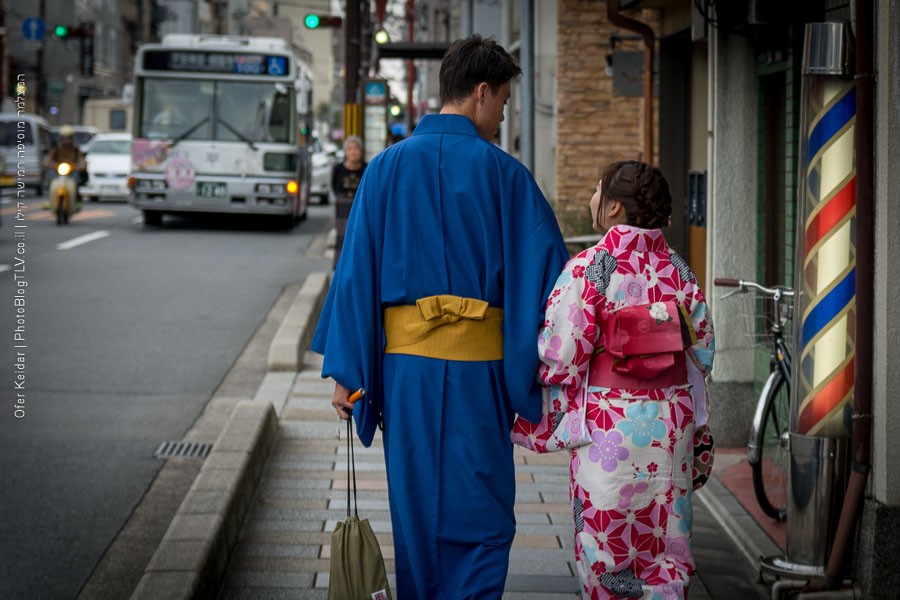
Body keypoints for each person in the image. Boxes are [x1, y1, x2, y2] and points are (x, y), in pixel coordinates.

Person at [311, 34, 569, 598]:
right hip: (480, 373)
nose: (502, 115)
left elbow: (356, 272)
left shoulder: (384, 169)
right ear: (480, 93)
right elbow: (554, 282)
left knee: (418, 509)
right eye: (502, 100)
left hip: (408, 376)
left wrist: (348, 374)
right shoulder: (508, 178)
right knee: (484, 510)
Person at [516, 161, 715, 599]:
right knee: (666, 541)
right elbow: (704, 349)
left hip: (611, 423)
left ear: (612, 208)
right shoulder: (678, 267)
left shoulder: (591, 266)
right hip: (671, 423)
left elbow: (561, 355)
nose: (591, 198)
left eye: (595, 190)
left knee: (606, 543)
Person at [43, 125, 87, 201]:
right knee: (51, 179)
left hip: (72, 170)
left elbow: (81, 160)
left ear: (72, 138)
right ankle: (50, 199)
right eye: (64, 138)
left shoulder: (76, 150)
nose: (66, 140)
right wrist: (47, 163)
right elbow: (48, 158)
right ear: (61, 138)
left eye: (68, 138)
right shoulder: (56, 149)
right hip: (57, 170)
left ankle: (76, 199)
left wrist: (82, 165)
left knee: (76, 180)